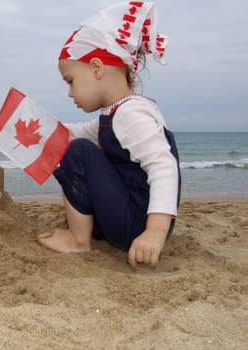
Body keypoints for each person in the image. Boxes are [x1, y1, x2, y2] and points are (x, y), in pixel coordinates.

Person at [37, 1, 181, 268]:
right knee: (78, 143)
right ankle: (89, 229)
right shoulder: (115, 112)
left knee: (78, 151)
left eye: (71, 81)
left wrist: (154, 233)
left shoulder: (131, 114)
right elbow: (76, 132)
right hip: (128, 215)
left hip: (139, 222)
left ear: (96, 68)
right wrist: (40, 128)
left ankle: (78, 241)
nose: (70, 93)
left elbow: (163, 167)